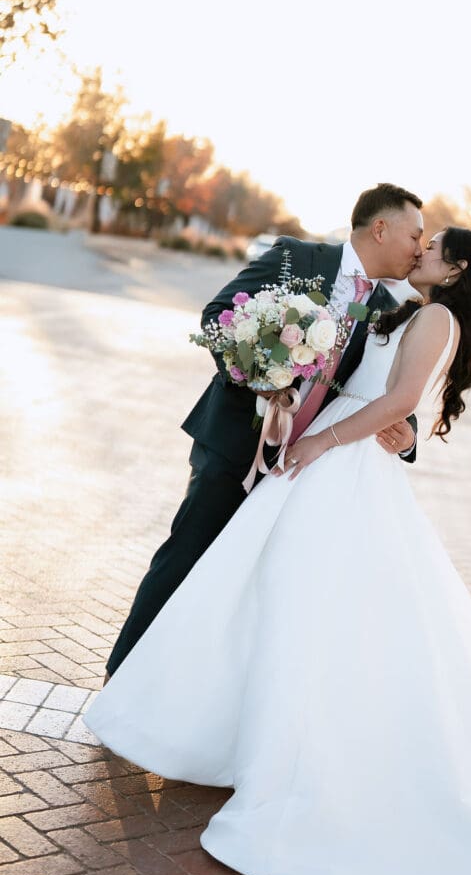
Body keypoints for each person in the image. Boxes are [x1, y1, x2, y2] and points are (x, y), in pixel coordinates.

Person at [85, 226, 471, 875]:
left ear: (454, 267)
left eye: (432, 248)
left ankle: (293, 749)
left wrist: (323, 442)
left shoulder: (435, 316)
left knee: (302, 602)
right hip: (330, 463)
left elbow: (398, 403)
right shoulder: (410, 309)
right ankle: (237, 729)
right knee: (272, 598)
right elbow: (377, 390)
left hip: (341, 470)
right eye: (415, 240)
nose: (418, 252)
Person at [105, 183, 425, 679]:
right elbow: (217, 318)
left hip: (295, 471)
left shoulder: (388, 308)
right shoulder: (296, 257)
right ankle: (123, 677)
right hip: (234, 440)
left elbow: (384, 384)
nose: (419, 249)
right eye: (414, 235)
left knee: (244, 583)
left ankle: (186, 689)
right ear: (380, 228)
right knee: (186, 554)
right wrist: (261, 376)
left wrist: (408, 437)